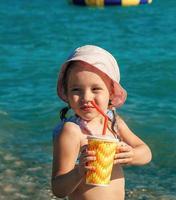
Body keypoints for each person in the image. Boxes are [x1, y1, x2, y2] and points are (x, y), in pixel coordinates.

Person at [51, 45, 152, 199]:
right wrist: (79, 172)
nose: (86, 98)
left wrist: (131, 155)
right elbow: (58, 189)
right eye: (76, 90)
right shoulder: (72, 131)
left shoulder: (114, 122)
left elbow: (146, 153)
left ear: (111, 92)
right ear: (67, 93)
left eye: (96, 89)